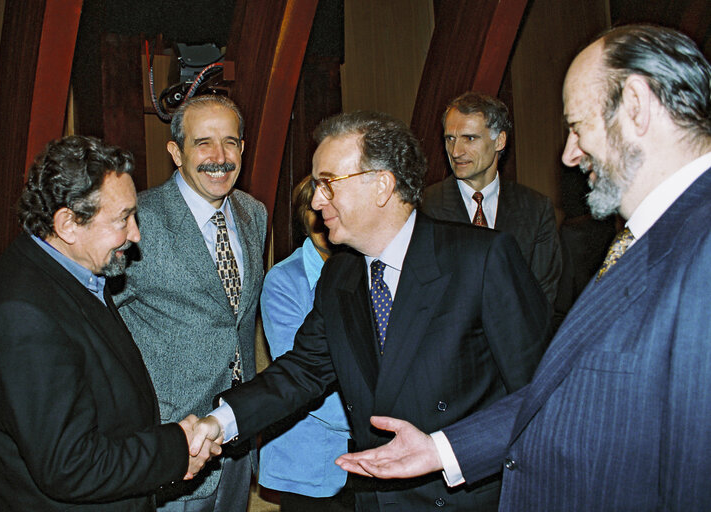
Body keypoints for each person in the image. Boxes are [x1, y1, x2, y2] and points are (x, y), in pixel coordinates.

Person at [336, 24, 711, 511]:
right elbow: (572, 389)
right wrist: (441, 450)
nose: (569, 154)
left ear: (636, 105)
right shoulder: (654, 236)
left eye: (578, 126)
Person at [191, 110, 551, 511]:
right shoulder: (340, 276)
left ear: (382, 186)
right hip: (376, 498)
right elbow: (301, 372)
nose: (316, 199)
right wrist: (218, 423)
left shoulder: (480, 260)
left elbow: (541, 396)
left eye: (328, 184)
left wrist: (441, 451)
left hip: (463, 495)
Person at [0, 135, 219, 511]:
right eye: (123, 219)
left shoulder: (73, 273)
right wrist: (175, 450)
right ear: (68, 224)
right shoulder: (23, 313)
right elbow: (68, 466)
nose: (135, 235)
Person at [112, 94, 266, 512]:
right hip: (170, 444)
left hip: (237, 438)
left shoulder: (255, 213)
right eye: (203, 143)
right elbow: (99, 326)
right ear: (175, 152)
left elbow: (237, 322)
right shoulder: (136, 219)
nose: (220, 157)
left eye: (231, 142)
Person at [258, 175, 353, 511]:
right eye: (313, 210)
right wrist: (372, 416)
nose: (322, 219)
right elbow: (302, 376)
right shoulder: (284, 280)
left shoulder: (368, 270)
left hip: (370, 459)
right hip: (310, 462)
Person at [421, 92, 562, 305]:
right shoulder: (423, 207)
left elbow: (543, 298)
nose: (456, 151)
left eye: (469, 138)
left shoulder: (535, 209)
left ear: (500, 141)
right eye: (450, 139)